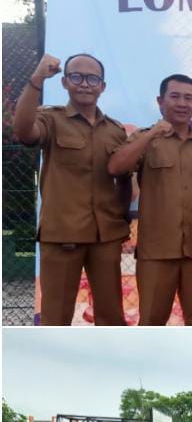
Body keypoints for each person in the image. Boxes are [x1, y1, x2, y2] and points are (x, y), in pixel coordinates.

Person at [13, 52, 131, 325]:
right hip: (63, 233)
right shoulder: (51, 119)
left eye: (93, 78)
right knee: (56, 317)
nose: (85, 84)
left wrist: (121, 212)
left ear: (103, 86)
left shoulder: (115, 130)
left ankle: (111, 368)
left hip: (106, 235)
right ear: (65, 82)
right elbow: (22, 131)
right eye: (77, 77)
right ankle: (53, 369)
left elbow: (123, 180)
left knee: (112, 317)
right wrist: (37, 79)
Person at [108, 74, 192, 326]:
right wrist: (152, 133)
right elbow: (116, 166)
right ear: (160, 101)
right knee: (152, 321)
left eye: (188, 98)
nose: (182, 103)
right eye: (174, 96)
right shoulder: (147, 139)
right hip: (157, 251)